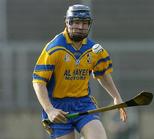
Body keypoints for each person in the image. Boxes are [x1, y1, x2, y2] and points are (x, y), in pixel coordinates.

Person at [32, 4, 127, 139]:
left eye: (84, 23)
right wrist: (49, 109)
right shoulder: (54, 48)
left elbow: (103, 74)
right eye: (77, 22)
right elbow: (38, 81)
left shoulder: (94, 49)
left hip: (83, 104)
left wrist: (116, 97)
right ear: (67, 22)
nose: (81, 27)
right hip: (58, 107)